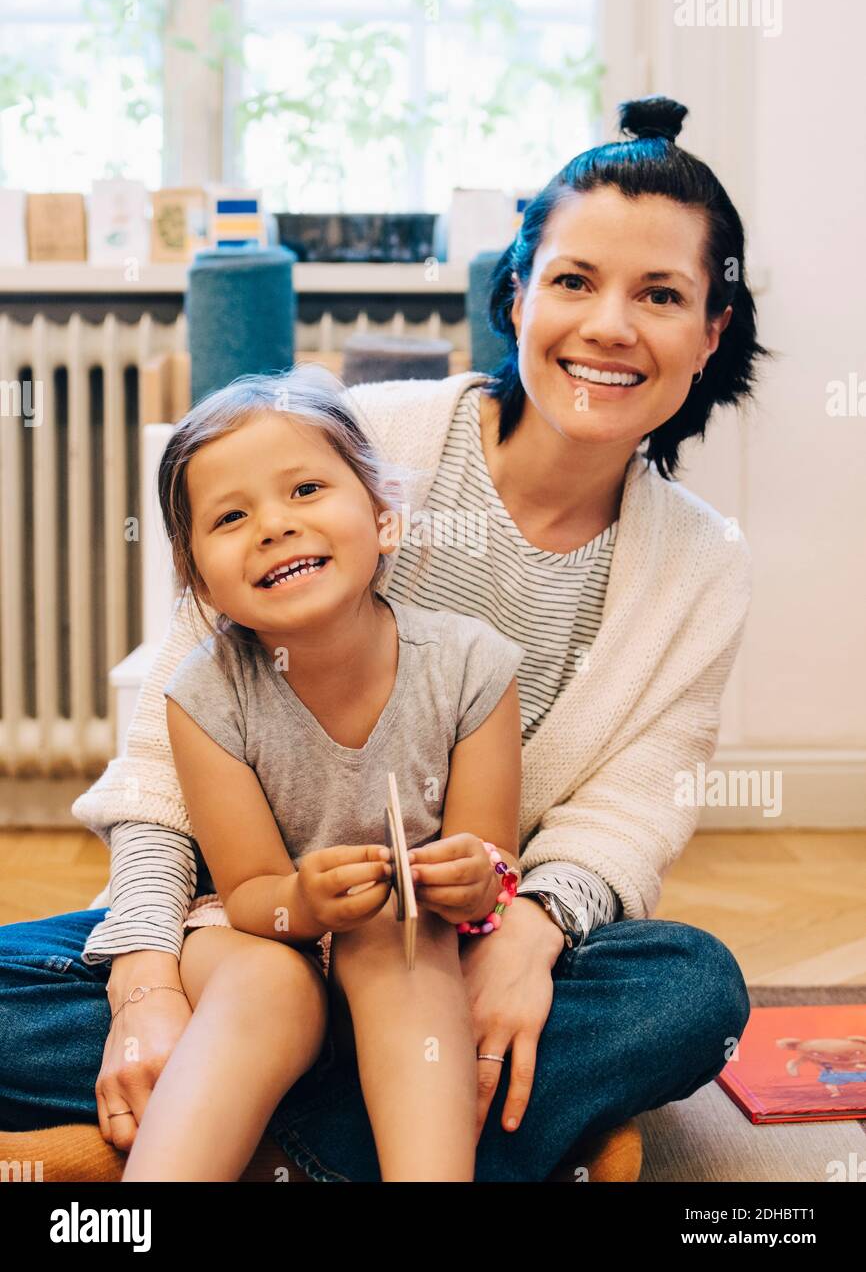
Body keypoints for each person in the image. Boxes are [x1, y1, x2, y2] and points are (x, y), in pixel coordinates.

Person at [0, 94, 768, 1182]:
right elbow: (162, 757)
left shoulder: (699, 562)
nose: (608, 325)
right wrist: (145, 988)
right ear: (515, 293)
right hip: (242, 937)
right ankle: (389, 1129)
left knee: (689, 990)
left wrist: (527, 935)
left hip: (446, 952)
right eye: (572, 281)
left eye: (658, 294)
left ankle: (221, 1132)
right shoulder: (353, 445)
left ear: (710, 328)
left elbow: (632, 805)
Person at [120, 365, 525, 1182]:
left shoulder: (473, 666)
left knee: (398, 944)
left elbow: (494, 870)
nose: (273, 526)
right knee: (268, 986)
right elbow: (247, 894)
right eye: (231, 516)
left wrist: (472, 880)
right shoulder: (203, 693)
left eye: (306, 489)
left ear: (384, 519)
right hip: (256, 938)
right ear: (199, 579)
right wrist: (301, 903)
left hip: (411, 954)